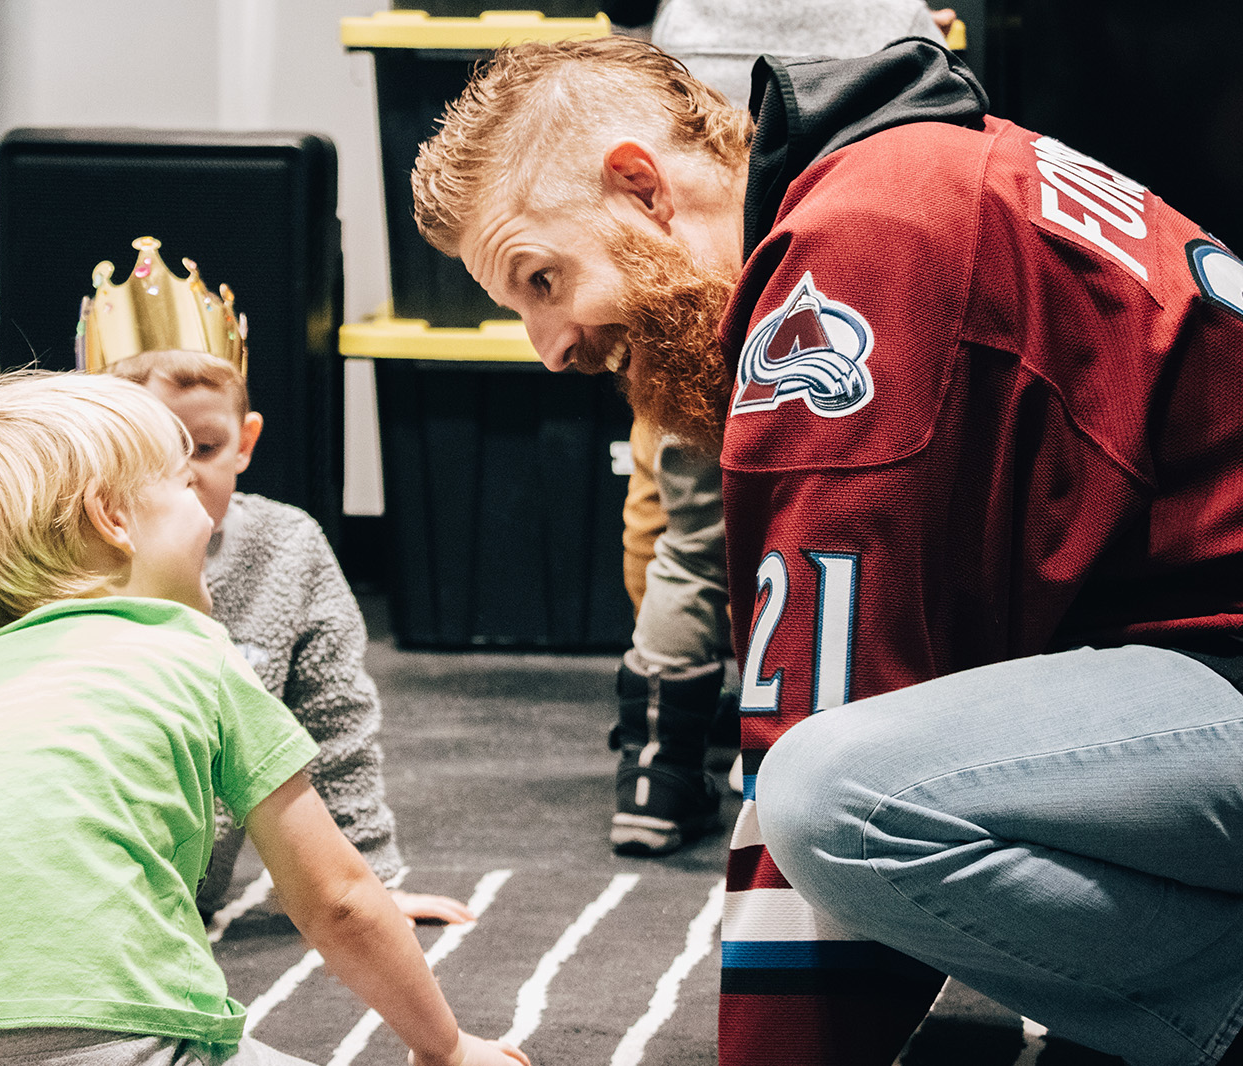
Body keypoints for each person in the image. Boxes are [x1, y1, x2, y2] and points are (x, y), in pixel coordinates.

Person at [410, 31, 1243, 1066]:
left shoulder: (856, 249)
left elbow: (821, 704)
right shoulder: (910, 176)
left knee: (833, 797)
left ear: (640, 187)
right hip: (1198, 666)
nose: (552, 349)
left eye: (542, 279)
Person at [0, 371, 528, 1066]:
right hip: (117, 1036)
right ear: (112, 518)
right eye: (181, 485)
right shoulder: (195, 654)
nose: (203, 510)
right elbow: (339, 902)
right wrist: (450, 1050)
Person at [0, 241, 468, 927]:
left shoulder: (287, 549)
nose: (187, 475)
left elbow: (337, 728)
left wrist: (372, 879)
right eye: (158, 456)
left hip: (155, 902)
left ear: (245, 440)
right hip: (19, 872)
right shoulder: (52, 556)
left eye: (202, 449)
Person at [605, 0, 958, 858]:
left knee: (694, 529)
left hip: (696, 182)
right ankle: (797, 765)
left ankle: (655, 774)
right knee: (851, 513)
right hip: (869, 169)